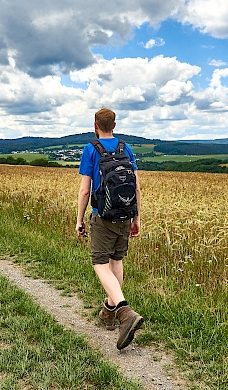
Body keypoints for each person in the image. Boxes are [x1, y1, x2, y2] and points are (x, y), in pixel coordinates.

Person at [76, 107, 144, 350]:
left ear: (95, 125)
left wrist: (79, 219)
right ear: (114, 125)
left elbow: (85, 189)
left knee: (99, 263)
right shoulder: (126, 148)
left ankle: (125, 312)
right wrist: (136, 216)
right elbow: (135, 186)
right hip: (125, 214)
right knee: (116, 260)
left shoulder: (90, 149)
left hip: (102, 216)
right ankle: (109, 312)